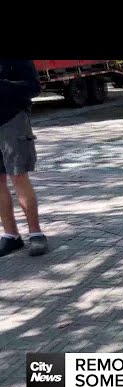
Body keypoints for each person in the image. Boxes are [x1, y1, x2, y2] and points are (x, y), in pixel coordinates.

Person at [0, 60, 48, 257]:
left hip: (12, 121)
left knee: (18, 176)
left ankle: (36, 234)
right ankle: (11, 235)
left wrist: (3, 86)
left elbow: (34, 87)